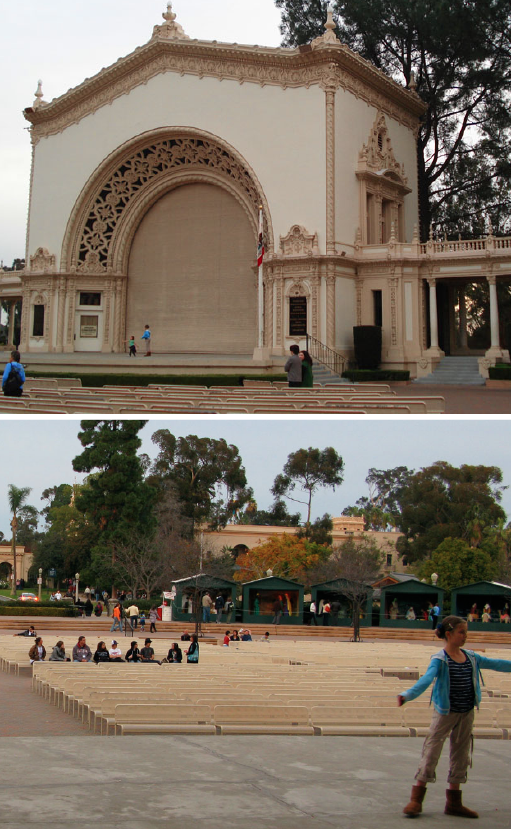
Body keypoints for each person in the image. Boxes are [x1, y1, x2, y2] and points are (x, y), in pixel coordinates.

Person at [398, 615, 511, 818]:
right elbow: (426, 679)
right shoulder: (439, 659)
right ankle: (416, 799)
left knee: (461, 754)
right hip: (445, 714)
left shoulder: (472, 657)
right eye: (461, 632)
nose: (465, 636)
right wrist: (408, 694)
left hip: (466, 712)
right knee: (432, 751)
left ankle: (454, 802)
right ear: (449, 634)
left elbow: (497, 664)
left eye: (466, 632)